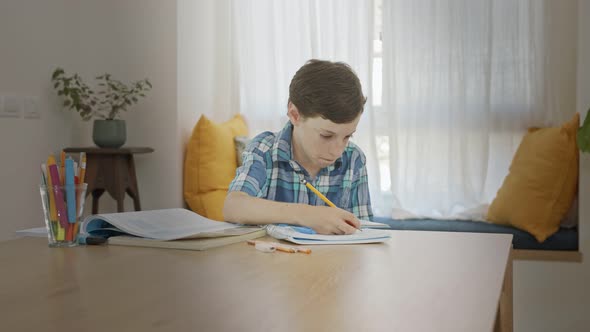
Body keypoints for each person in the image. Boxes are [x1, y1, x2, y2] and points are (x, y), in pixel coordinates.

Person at [223, 59, 372, 235]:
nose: (337, 151)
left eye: (347, 136)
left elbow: (364, 232)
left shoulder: (354, 159)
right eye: (326, 136)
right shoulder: (264, 150)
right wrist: (306, 214)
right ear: (294, 114)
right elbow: (233, 207)